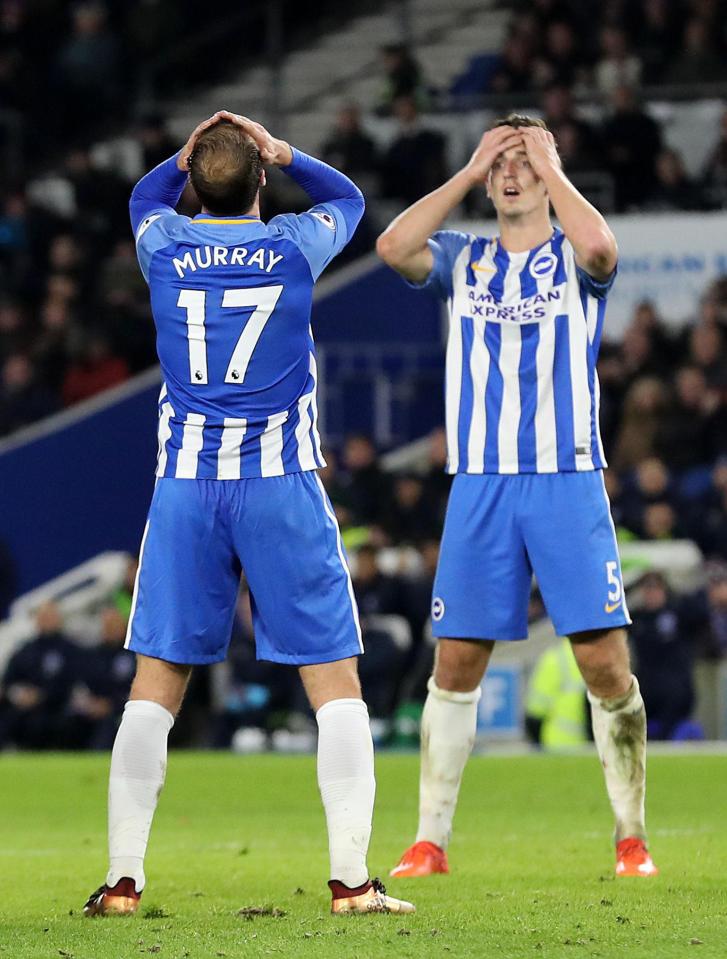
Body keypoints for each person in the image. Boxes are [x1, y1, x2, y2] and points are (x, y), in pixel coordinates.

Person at [83, 112, 413, 918]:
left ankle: (123, 881)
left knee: (155, 682)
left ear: (193, 182)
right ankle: (351, 882)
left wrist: (191, 153)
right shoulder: (295, 242)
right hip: (278, 485)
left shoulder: (161, 241)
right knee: (333, 679)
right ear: (262, 180)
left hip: (188, 487)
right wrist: (284, 149)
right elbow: (350, 195)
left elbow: (143, 191)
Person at [377, 113, 658, 881]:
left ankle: (630, 835)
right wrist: (464, 174)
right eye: (500, 161)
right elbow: (392, 247)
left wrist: (553, 166)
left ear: (547, 172)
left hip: (566, 476)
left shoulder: (574, 255)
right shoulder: (461, 260)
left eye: (522, 161)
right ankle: (429, 840)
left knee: (602, 662)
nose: (510, 172)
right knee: (456, 661)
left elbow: (603, 247)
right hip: (480, 483)